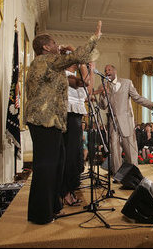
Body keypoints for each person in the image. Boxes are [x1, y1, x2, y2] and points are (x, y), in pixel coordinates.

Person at [24, 21, 102, 224]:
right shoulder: (44, 61)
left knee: (56, 164)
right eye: (54, 43)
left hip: (54, 121)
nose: (58, 45)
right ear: (46, 47)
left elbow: (81, 82)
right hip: (43, 120)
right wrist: (94, 37)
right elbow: (77, 56)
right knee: (46, 166)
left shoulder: (52, 68)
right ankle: (40, 214)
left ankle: (53, 205)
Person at [98, 64, 153, 175]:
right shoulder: (103, 85)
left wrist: (152, 104)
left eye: (109, 69)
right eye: (105, 70)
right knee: (114, 150)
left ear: (115, 71)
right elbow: (102, 106)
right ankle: (117, 175)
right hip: (112, 122)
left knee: (130, 150)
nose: (107, 72)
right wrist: (104, 95)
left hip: (126, 122)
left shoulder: (126, 83)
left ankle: (134, 175)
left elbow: (137, 98)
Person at [61, 62, 94, 207]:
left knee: (76, 156)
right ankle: (65, 192)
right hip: (68, 117)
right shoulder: (65, 75)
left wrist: (91, 70)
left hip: (76, 117)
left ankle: (70, 189)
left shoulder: (74, 77)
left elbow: (89, 91)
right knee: (70, 156)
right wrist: (84, 66)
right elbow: (86, 83)